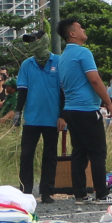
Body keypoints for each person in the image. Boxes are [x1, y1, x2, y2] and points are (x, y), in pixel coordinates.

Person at [53, 18, 112, 200]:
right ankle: (101, 194)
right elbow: (94, 79)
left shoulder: (63, 57)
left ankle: (80, 195)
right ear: (72, 33)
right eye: (80, 27)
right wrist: (108, 102)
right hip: (86, 109)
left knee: (79, 153)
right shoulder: (83, 53)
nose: (84, 29)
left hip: (71, 109)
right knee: (97, 152)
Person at [15, 44, 64, 199]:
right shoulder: (27, 64)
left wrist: (63, 115)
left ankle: (47, 191)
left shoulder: (59, 62)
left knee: (50, 156)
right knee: (26, 155)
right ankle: (25, 191)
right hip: (31, 118)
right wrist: (18, 111)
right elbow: (22, 90)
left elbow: (64, 91)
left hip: (52, 117)